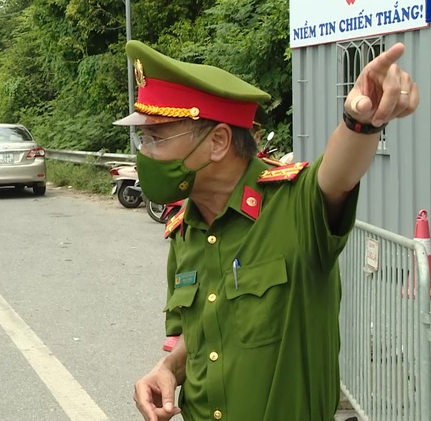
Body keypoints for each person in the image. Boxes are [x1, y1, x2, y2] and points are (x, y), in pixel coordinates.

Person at [114, 40, 418, 421]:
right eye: (144, 139)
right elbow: (202, 331)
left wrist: (362, 121)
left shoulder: (294, 206)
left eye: (156, 138)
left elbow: (338, 172)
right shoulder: (184, 231)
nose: (144, 153)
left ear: (218, 142)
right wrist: (168, 370)